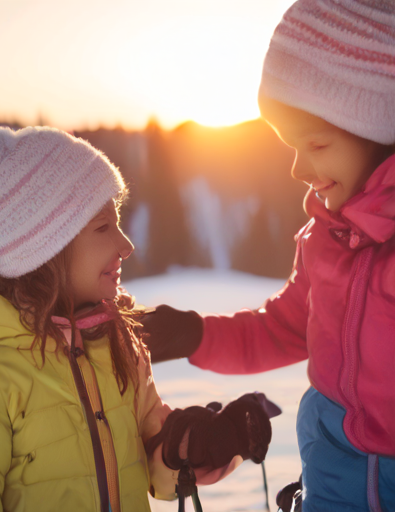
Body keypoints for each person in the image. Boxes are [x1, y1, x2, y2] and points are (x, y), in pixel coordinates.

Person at [0, 126, 274, 512]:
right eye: (103, 227)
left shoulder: (116, 344)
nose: (126, 245)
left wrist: (189, 446)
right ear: (44, 250)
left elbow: (151, 464)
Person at [142, 1, 395, 511]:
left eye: (316, 145)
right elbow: (283, 327)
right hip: (332, 472)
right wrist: (197, 333)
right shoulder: (326, 238)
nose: (298, 168)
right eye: (290, 146)